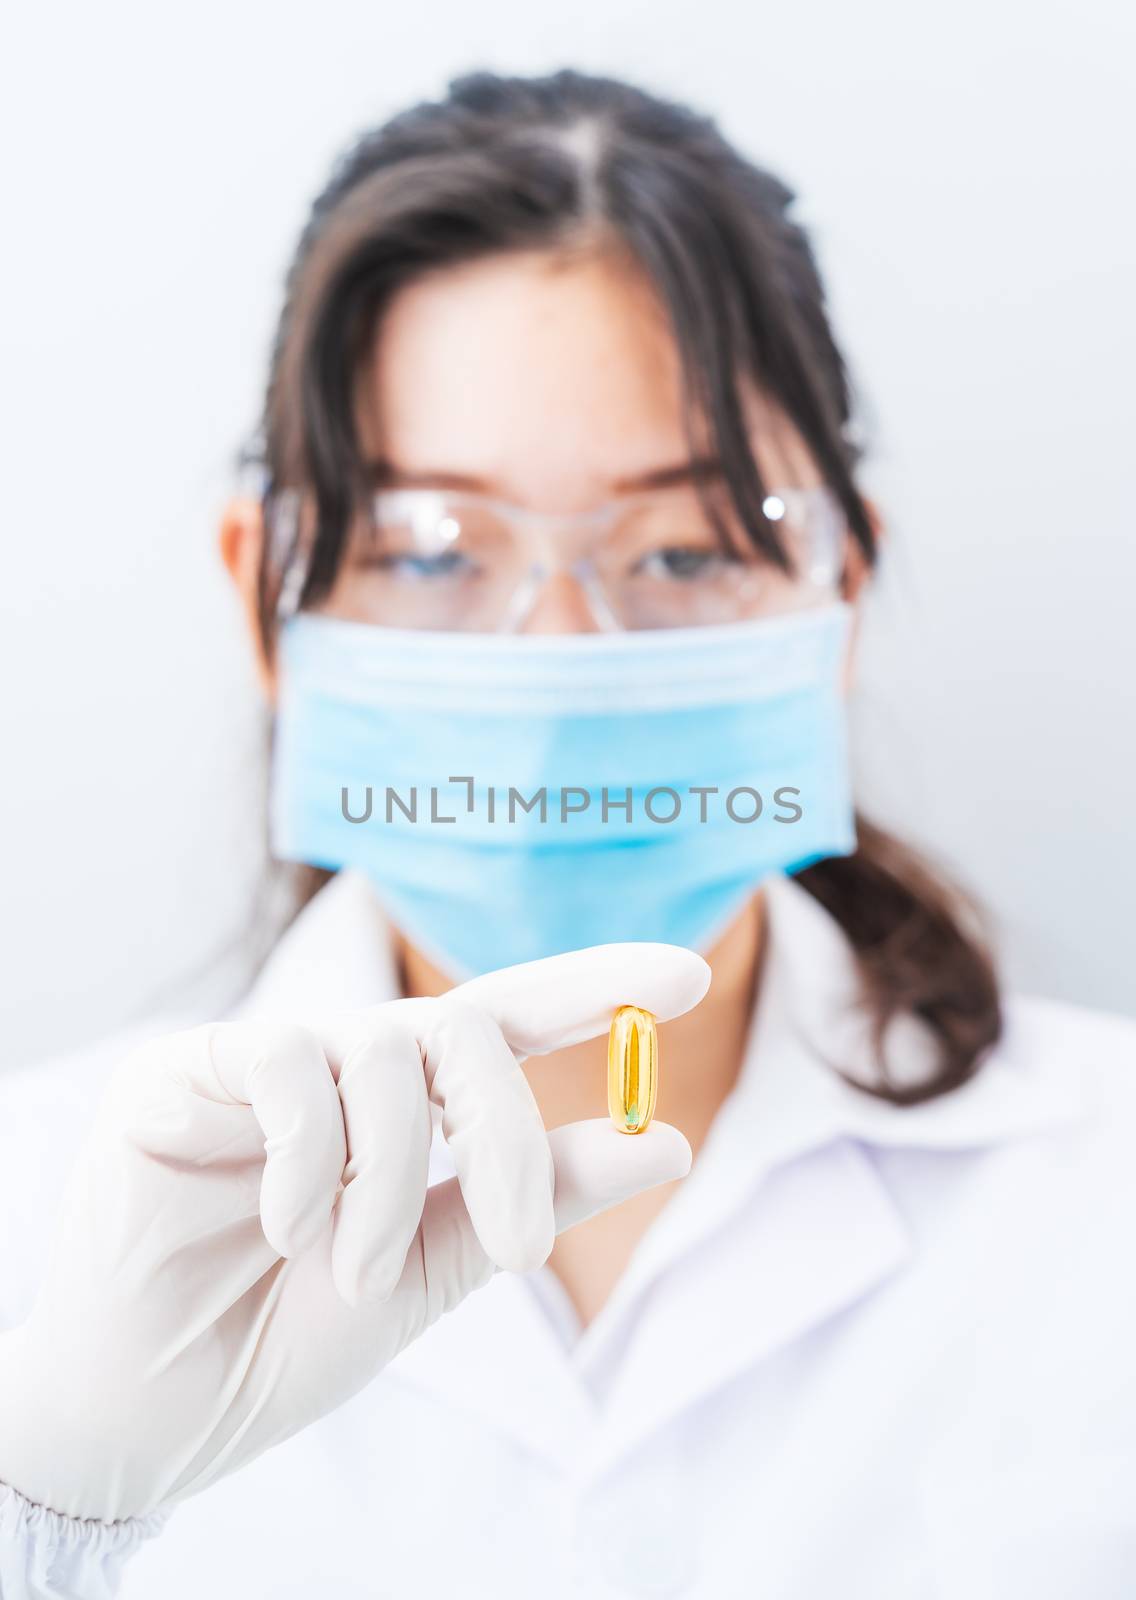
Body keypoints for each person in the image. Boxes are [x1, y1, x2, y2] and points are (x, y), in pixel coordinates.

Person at [1, 67, 1134, 1600]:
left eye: (681, 547)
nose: (557, 665)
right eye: (428, 551)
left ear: (837, 600)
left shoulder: (1100, 1191)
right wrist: (47, 1508)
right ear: (268, 600)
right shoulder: (49, 1218)